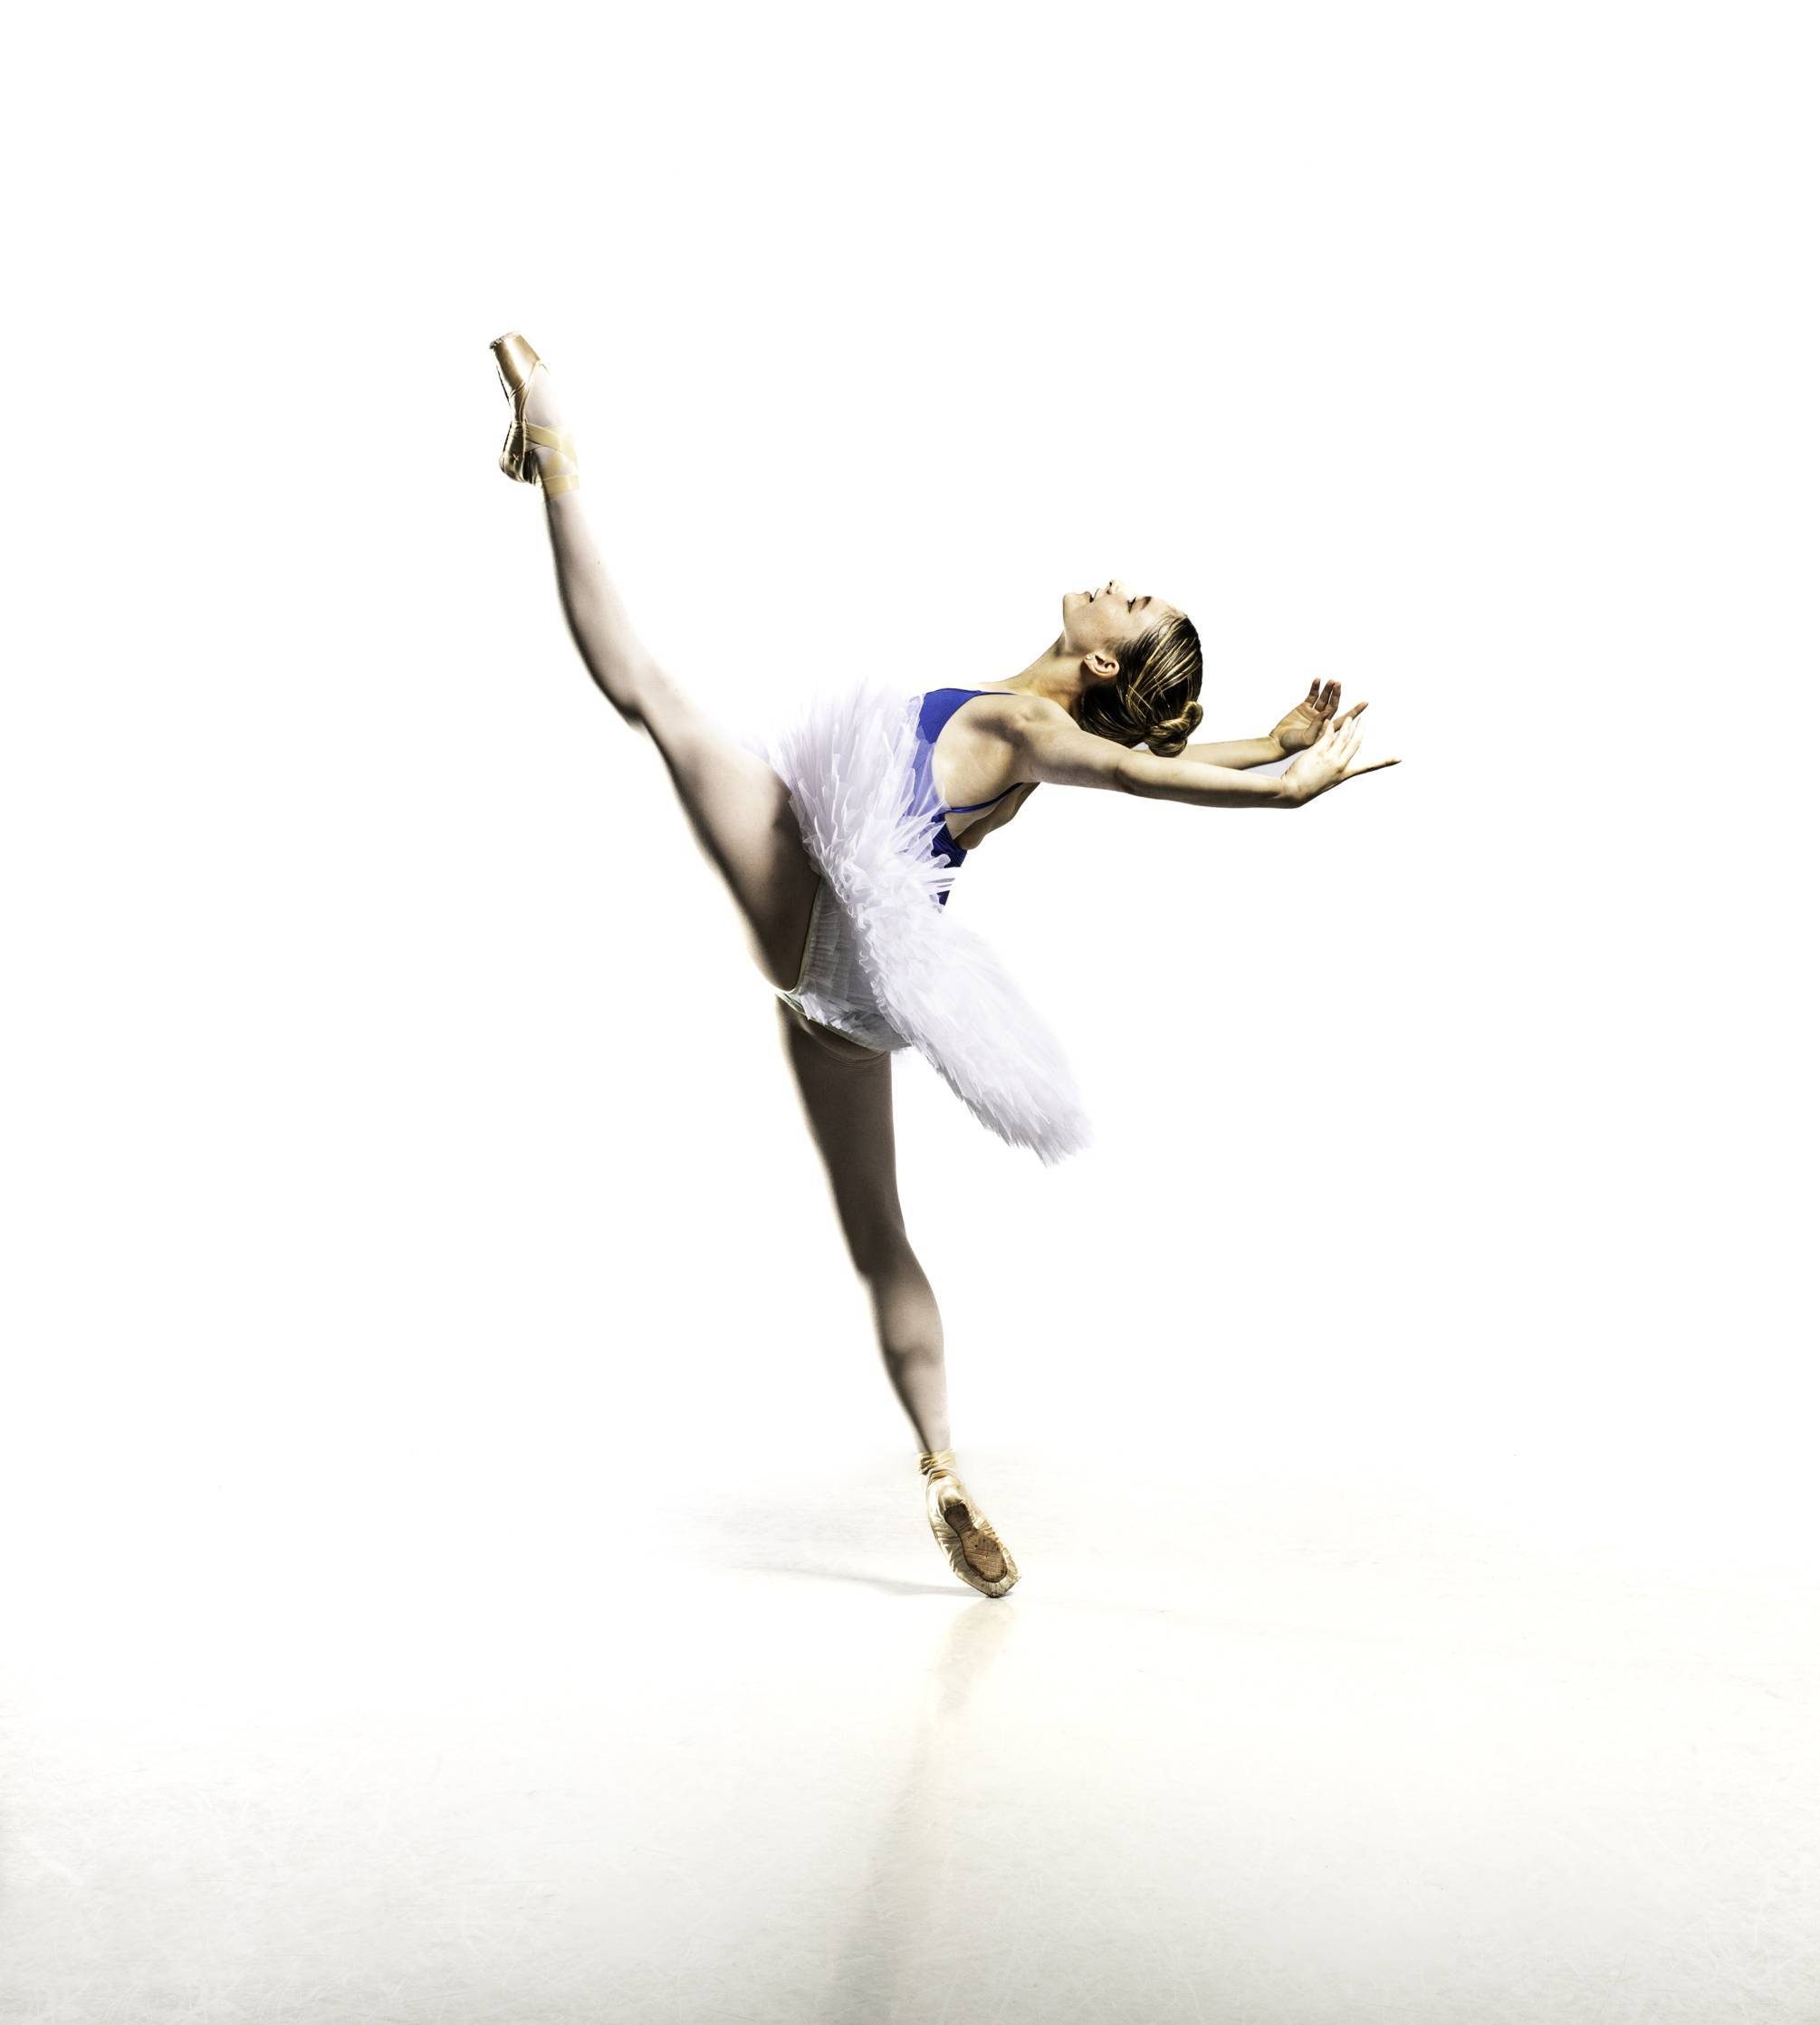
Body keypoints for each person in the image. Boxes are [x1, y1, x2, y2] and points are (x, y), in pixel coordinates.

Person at [488, 333, 1399, 1598]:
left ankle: (553, 446)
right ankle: (942, 1468)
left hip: (831, 914)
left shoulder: (1022, 725)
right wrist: (1266, 744)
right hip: (858, 993)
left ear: (1100, 661)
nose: (1118, 584)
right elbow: (1148, 758)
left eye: (1132, 605)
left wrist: (1281, 793)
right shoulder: (1039, 729)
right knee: (881, 1238)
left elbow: (1136, 774)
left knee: (651, 692)